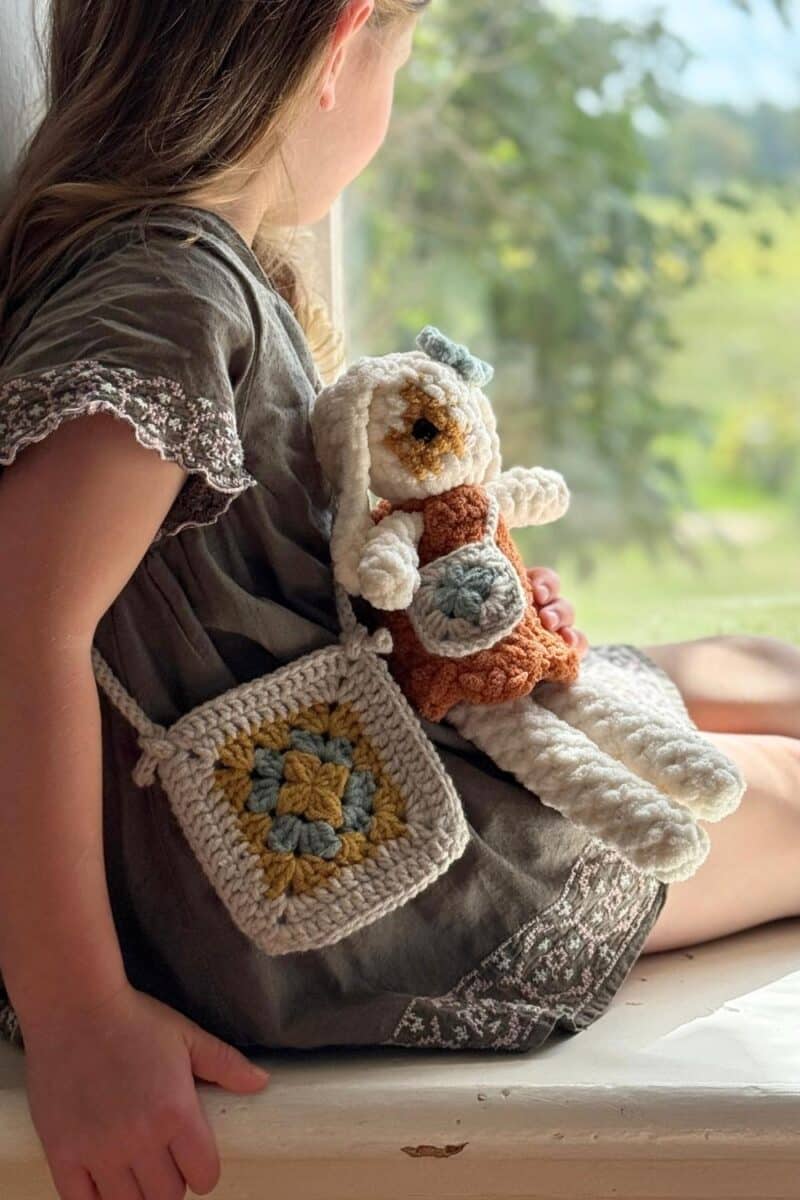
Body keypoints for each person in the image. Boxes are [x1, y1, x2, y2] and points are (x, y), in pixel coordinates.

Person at [0, 2, 797, 1198]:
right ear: (338, 43)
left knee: (742, 666)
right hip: (291, 873)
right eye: (403, 59)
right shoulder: (165, 293)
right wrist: (75, 1016)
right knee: (783, 795)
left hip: (337, 736)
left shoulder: (155, 266)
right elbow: (25, 630)